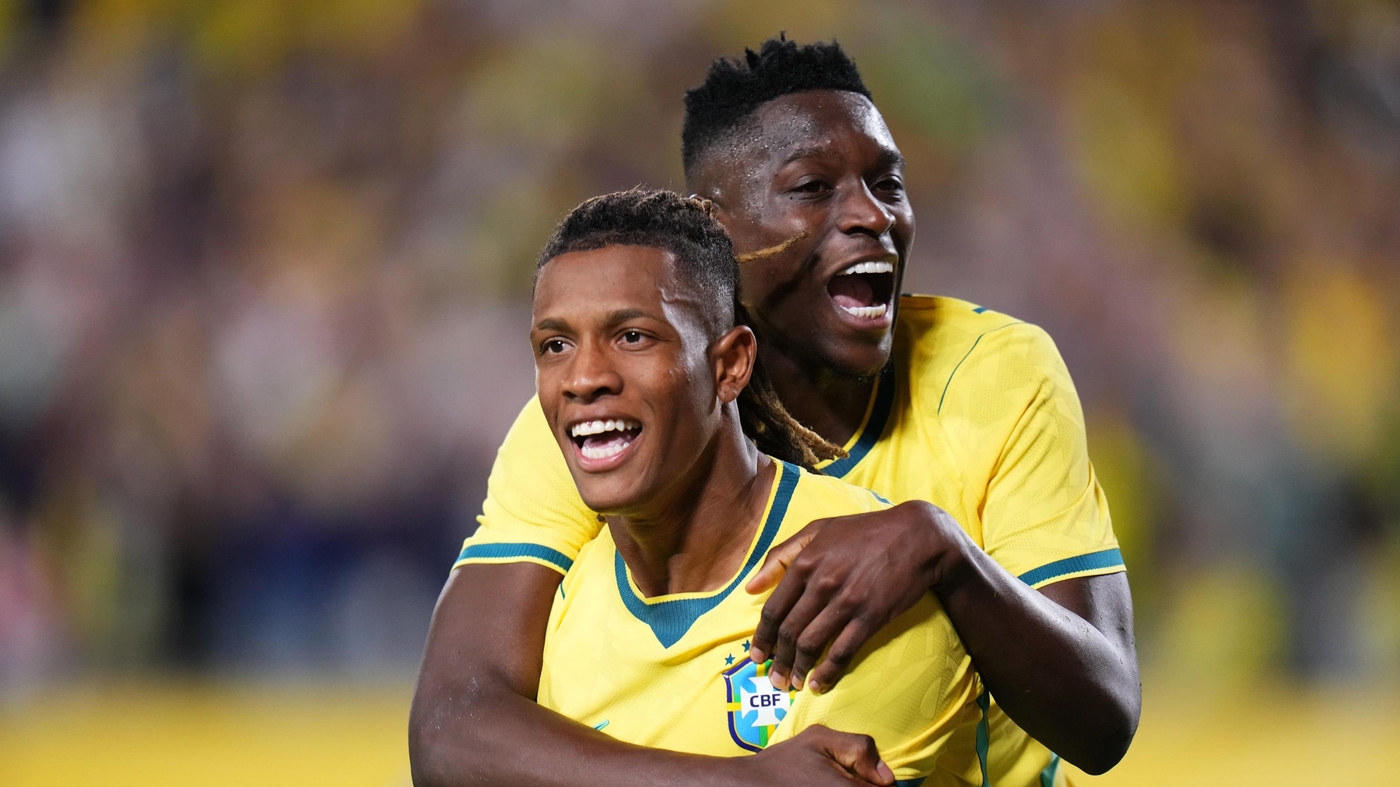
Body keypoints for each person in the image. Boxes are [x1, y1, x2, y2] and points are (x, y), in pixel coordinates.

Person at [411, 37, 1139, 787]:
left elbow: (1103, 716)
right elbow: (453, 722)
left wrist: (944, 550)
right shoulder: (605, 417)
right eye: (814, 188)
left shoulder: (991, 373)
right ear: (715, 227)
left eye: (887, 184)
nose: (872, 216)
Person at [529, 187, 985, 787]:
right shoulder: (566, 611)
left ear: (730, 366)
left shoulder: (868, 586)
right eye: (555, 346)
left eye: (633, 336)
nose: (583, 378)